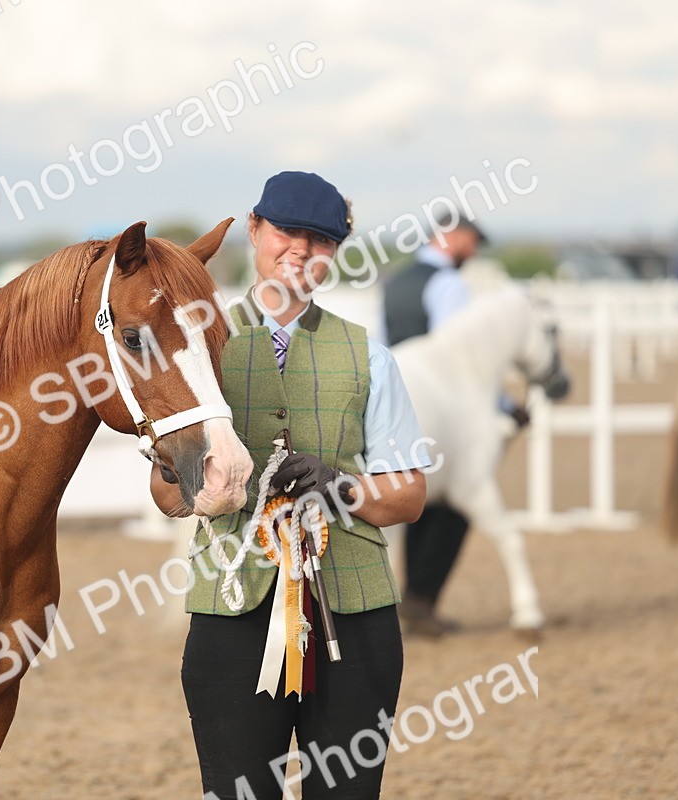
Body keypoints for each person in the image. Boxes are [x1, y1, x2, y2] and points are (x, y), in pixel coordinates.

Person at [151, 171, 430, 798]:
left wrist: (343, 486)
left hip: (353, 616)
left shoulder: (370, 357)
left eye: (321, 239)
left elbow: (409, 495)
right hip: (231, 612)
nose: (301, 250)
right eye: (287, 231)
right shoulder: (199, 348)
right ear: (253, 229)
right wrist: (186, 468)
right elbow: (167, 499)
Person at [380, 215, 526, 637]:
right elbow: (464, 357)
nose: (473, 251)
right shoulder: (448, 285)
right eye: (471, 242)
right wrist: (504, 404)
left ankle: (410, 601)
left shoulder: (397, 281)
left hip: (396, 401)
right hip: (441, 406)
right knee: (457, 501)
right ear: (453, 237)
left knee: (408, 500)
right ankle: (421, 600)